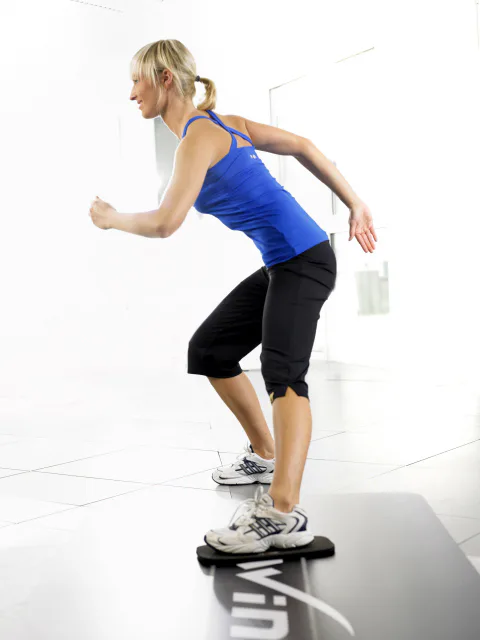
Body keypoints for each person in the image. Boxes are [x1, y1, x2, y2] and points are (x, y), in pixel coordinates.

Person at [89, 39, 377, 555]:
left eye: (137, 80)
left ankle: (282, 512)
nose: (132, 93)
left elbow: (165, 223)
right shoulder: (222, 125)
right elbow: (304, 146)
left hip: (304, 260)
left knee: (283, 372)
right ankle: (265, 454)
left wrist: (111, 219)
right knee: (210, 350)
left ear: (165, 79)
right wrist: (353, 201)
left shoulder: (199, 136)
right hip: (284, 262)